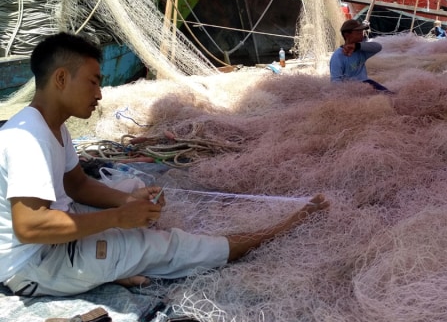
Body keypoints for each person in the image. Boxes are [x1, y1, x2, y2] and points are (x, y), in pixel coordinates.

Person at [0, 32, 329, 297]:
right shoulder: (29, 139)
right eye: (93, 81)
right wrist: (118, 217)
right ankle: (250, 239)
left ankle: (113, 263)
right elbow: (30, 228)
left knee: (132, 190)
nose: (100, 94)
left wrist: (128, 203)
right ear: (60, 78)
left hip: (54, 236)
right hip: (35, 265)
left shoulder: (51, 126)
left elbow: (78, 185)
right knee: (162, 246)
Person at [330, 19, 390, 92]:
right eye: (358, 32)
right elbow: (335, 81)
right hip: (351, 88)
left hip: (366, 83)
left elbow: (378, 47)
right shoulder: (338, 56)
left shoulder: (361, 50)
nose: (362, 35)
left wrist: (357, 46)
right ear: (347, 35)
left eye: (362, 32)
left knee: (390, 95)